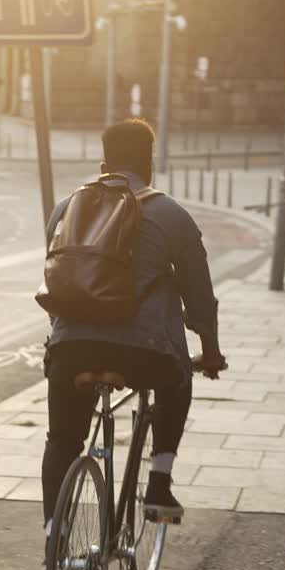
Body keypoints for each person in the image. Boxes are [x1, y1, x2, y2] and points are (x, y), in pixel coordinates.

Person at [40, 118, 225, 533]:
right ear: (150, 163)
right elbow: (200, 296)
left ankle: (54, 534)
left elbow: (56, 279)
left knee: (63, 441)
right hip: (144, 353)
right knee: (177, 379)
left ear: (104, 162)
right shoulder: (168, 213)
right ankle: (159, 481)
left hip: (71, 351)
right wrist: (209, 351)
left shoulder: (65, 208)